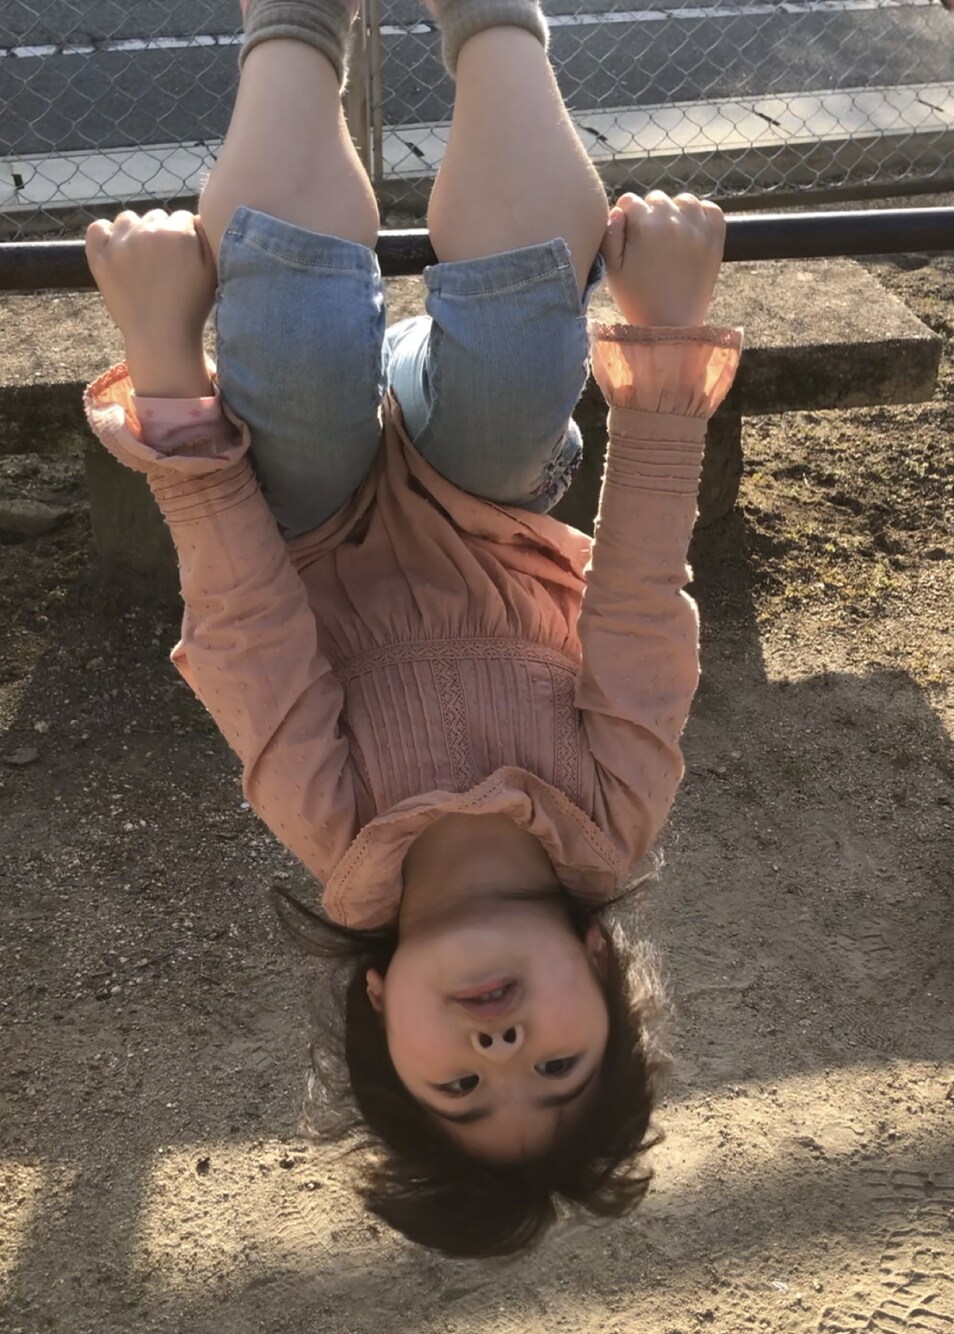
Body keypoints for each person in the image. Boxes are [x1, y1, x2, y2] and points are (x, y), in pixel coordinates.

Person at [83, 0, 741, 1256]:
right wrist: (660, 336)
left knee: (294, 379)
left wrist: (164, 357)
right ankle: (490, 19)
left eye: (460, 1084)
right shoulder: (613, 806)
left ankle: (292, 22)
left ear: (380, 1007)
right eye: (555, 1066)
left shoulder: (334, 824)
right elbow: (641, 594)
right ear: (601, 970)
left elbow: (243, 617)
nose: (503, 1045)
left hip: (303, 513)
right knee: (513, 393)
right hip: (483, 495)